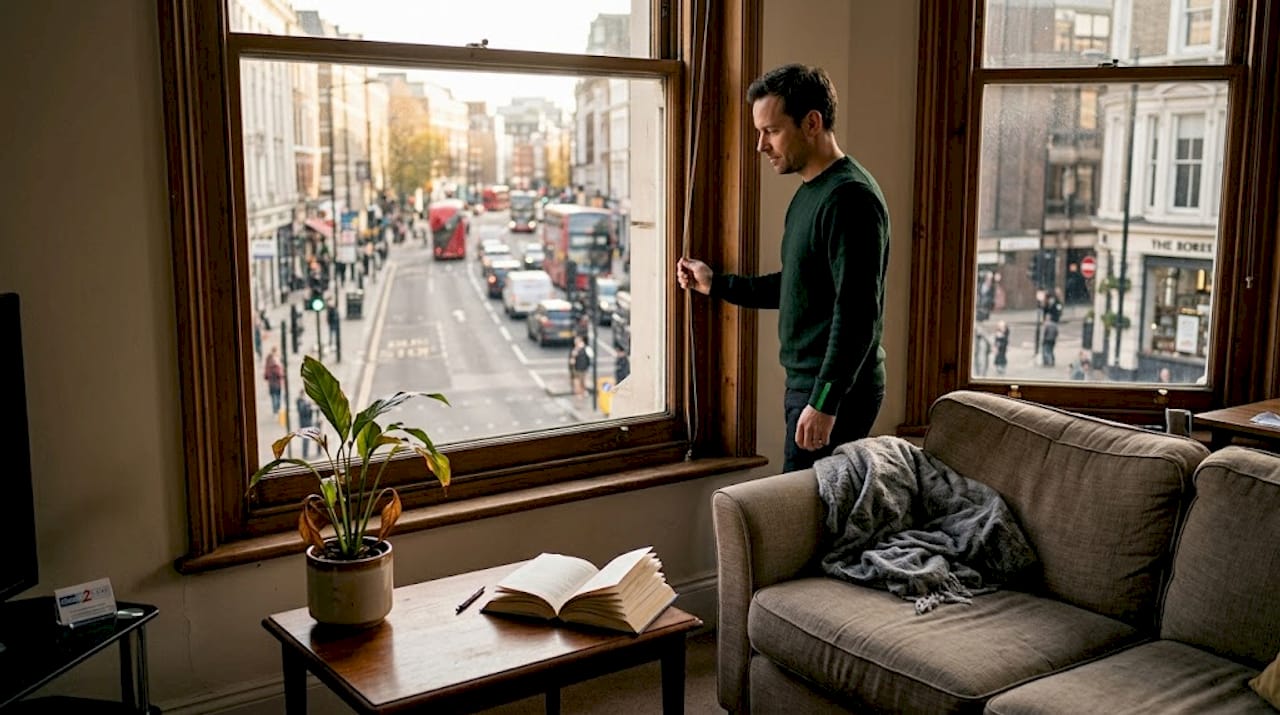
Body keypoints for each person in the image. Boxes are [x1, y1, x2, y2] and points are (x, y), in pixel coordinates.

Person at [676, 63, 890, 472]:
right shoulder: (812, 192)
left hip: (833, 393)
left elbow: (858, 312)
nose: (761, 145)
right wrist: (716, 284)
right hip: (812, 386)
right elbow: (797, 286)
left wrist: (824, 402)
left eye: (771, 131)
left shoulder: (849, 199)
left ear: (812, 123)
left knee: (805, 507)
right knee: (805, 503)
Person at [263, 346, 285, 414]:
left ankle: (275, 408)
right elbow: (280, 372)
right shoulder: (277, 360)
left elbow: (266, 369)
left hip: (272, 381)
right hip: (277, 381)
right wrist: (282, 375)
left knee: (274, 395)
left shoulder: (269, 359)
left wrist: (266, 376)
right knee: (277, 395)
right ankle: (277, 408)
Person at [295, 393, 315, 458]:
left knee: (306, 439)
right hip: (305, 423)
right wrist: (308, 405)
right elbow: (305, 412)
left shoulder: (301, 402)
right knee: (306, 439)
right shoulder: (302, 403)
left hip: (304, 423)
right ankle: (305, 454)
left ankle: (305, 454)